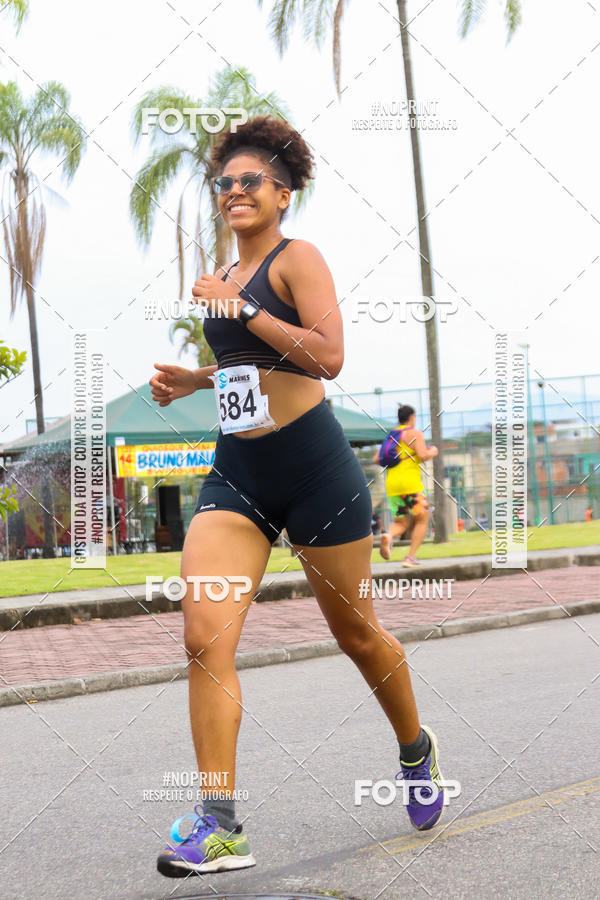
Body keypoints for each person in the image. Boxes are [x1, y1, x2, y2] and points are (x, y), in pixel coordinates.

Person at [149, 116, 446, 878]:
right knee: (203, 636)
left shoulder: (296, 259)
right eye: (225, 182)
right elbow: (251, 369)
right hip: (238, 477)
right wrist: (196, 379)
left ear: (283, 194)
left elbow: (327, 355)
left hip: (317, 474)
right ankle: (220, 825)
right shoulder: (224, 275)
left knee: (359, 637)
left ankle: (415, 750)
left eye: (251, 180)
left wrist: (241, 306)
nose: (234, 190)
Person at [375, 405, 437, 566]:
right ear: (412, 417)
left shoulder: (392, 435)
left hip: (393, 486)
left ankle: (388, 536)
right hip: (411, 485)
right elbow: (423, 455)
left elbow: (377, 459)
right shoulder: (414, 433)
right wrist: (433, 452)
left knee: (401, 522)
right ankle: (410, 557)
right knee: (422, 519)